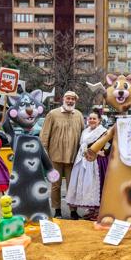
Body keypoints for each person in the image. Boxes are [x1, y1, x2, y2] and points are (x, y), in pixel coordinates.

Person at [40, 90, 84, 220]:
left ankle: (73, 211)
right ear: (63, 99)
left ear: (75, 101)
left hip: (73, 157)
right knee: (55, 185)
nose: (70, 101)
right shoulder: (52, 114)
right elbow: (44, 135)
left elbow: (83, 134)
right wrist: (44, 153)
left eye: (72, 99)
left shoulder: (79, 115)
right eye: (68, 98)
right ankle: (57, 210)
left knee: (72, 185)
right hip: (55, 157)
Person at [66, 109, 108, 220]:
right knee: (87, 185)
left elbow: (112, 144)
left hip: (97, 162)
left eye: (94, 118)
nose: (92, 120)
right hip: (84, 160)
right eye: (90, 118)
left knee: (97, 185)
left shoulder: (104, 131)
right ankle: (92, 210)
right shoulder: (85, 131)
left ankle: (99, 211)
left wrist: (104, 152)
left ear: (99, 120)